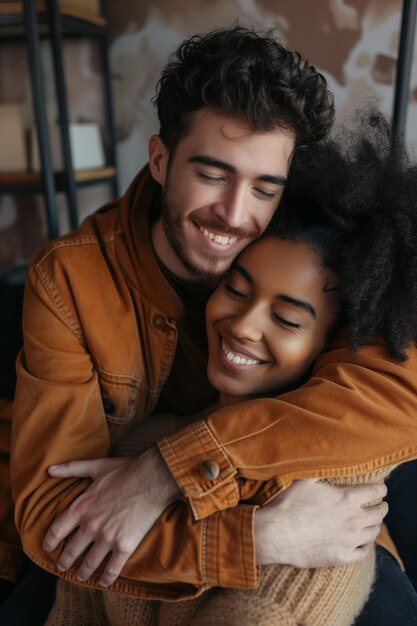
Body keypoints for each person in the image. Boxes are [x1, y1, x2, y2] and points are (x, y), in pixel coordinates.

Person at [9, 26, 417, 623]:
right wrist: (251, 541)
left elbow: (399, 396)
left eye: (263, 188)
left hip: (302, 508)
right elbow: (52, 513)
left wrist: (166, 470)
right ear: (159, 159)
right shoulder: (70, 279)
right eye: (212, 174)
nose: (235, 215)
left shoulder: (315, 255)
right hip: (149, 531)